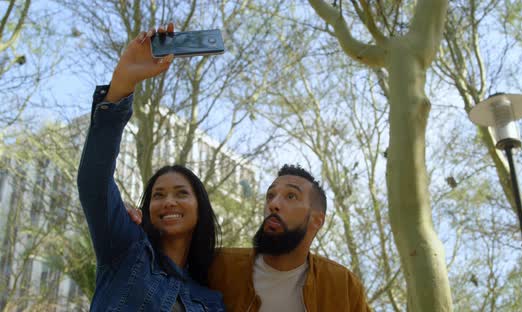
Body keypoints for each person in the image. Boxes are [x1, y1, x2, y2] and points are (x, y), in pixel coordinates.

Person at [77, 23, 225, 311]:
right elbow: (94, 182)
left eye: (181, 193)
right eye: (157, 195)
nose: (168, 201)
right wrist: (123, 82)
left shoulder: (211, 301)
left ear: (200, 207)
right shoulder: (126, 249)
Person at [129, 165, 371, 311]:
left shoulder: (343, 287)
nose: (274, 204)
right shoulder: (220, 265)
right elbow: (159, 270)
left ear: (316, 220)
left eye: (291, 197)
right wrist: (134, 222)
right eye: (270, 196)